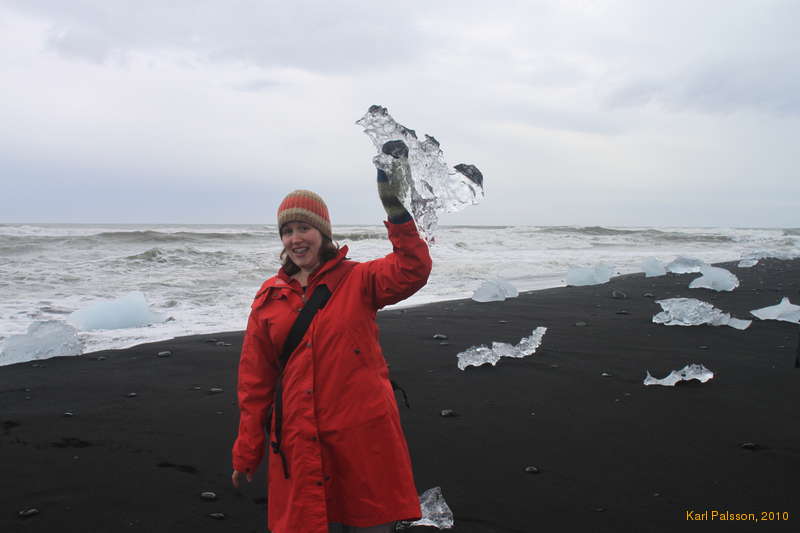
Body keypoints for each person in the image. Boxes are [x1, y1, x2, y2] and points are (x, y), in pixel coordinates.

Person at [232, 141, 432, 533]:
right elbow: (255, 384)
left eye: (303, 227)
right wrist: (246, 454)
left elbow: (413, 269)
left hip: (361, 438)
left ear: (322, 233)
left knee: (368, 520)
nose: (295, 238)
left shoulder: (359, 281)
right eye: (287, 231)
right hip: (298, 441)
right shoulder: (268, 300)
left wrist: (395, 211)